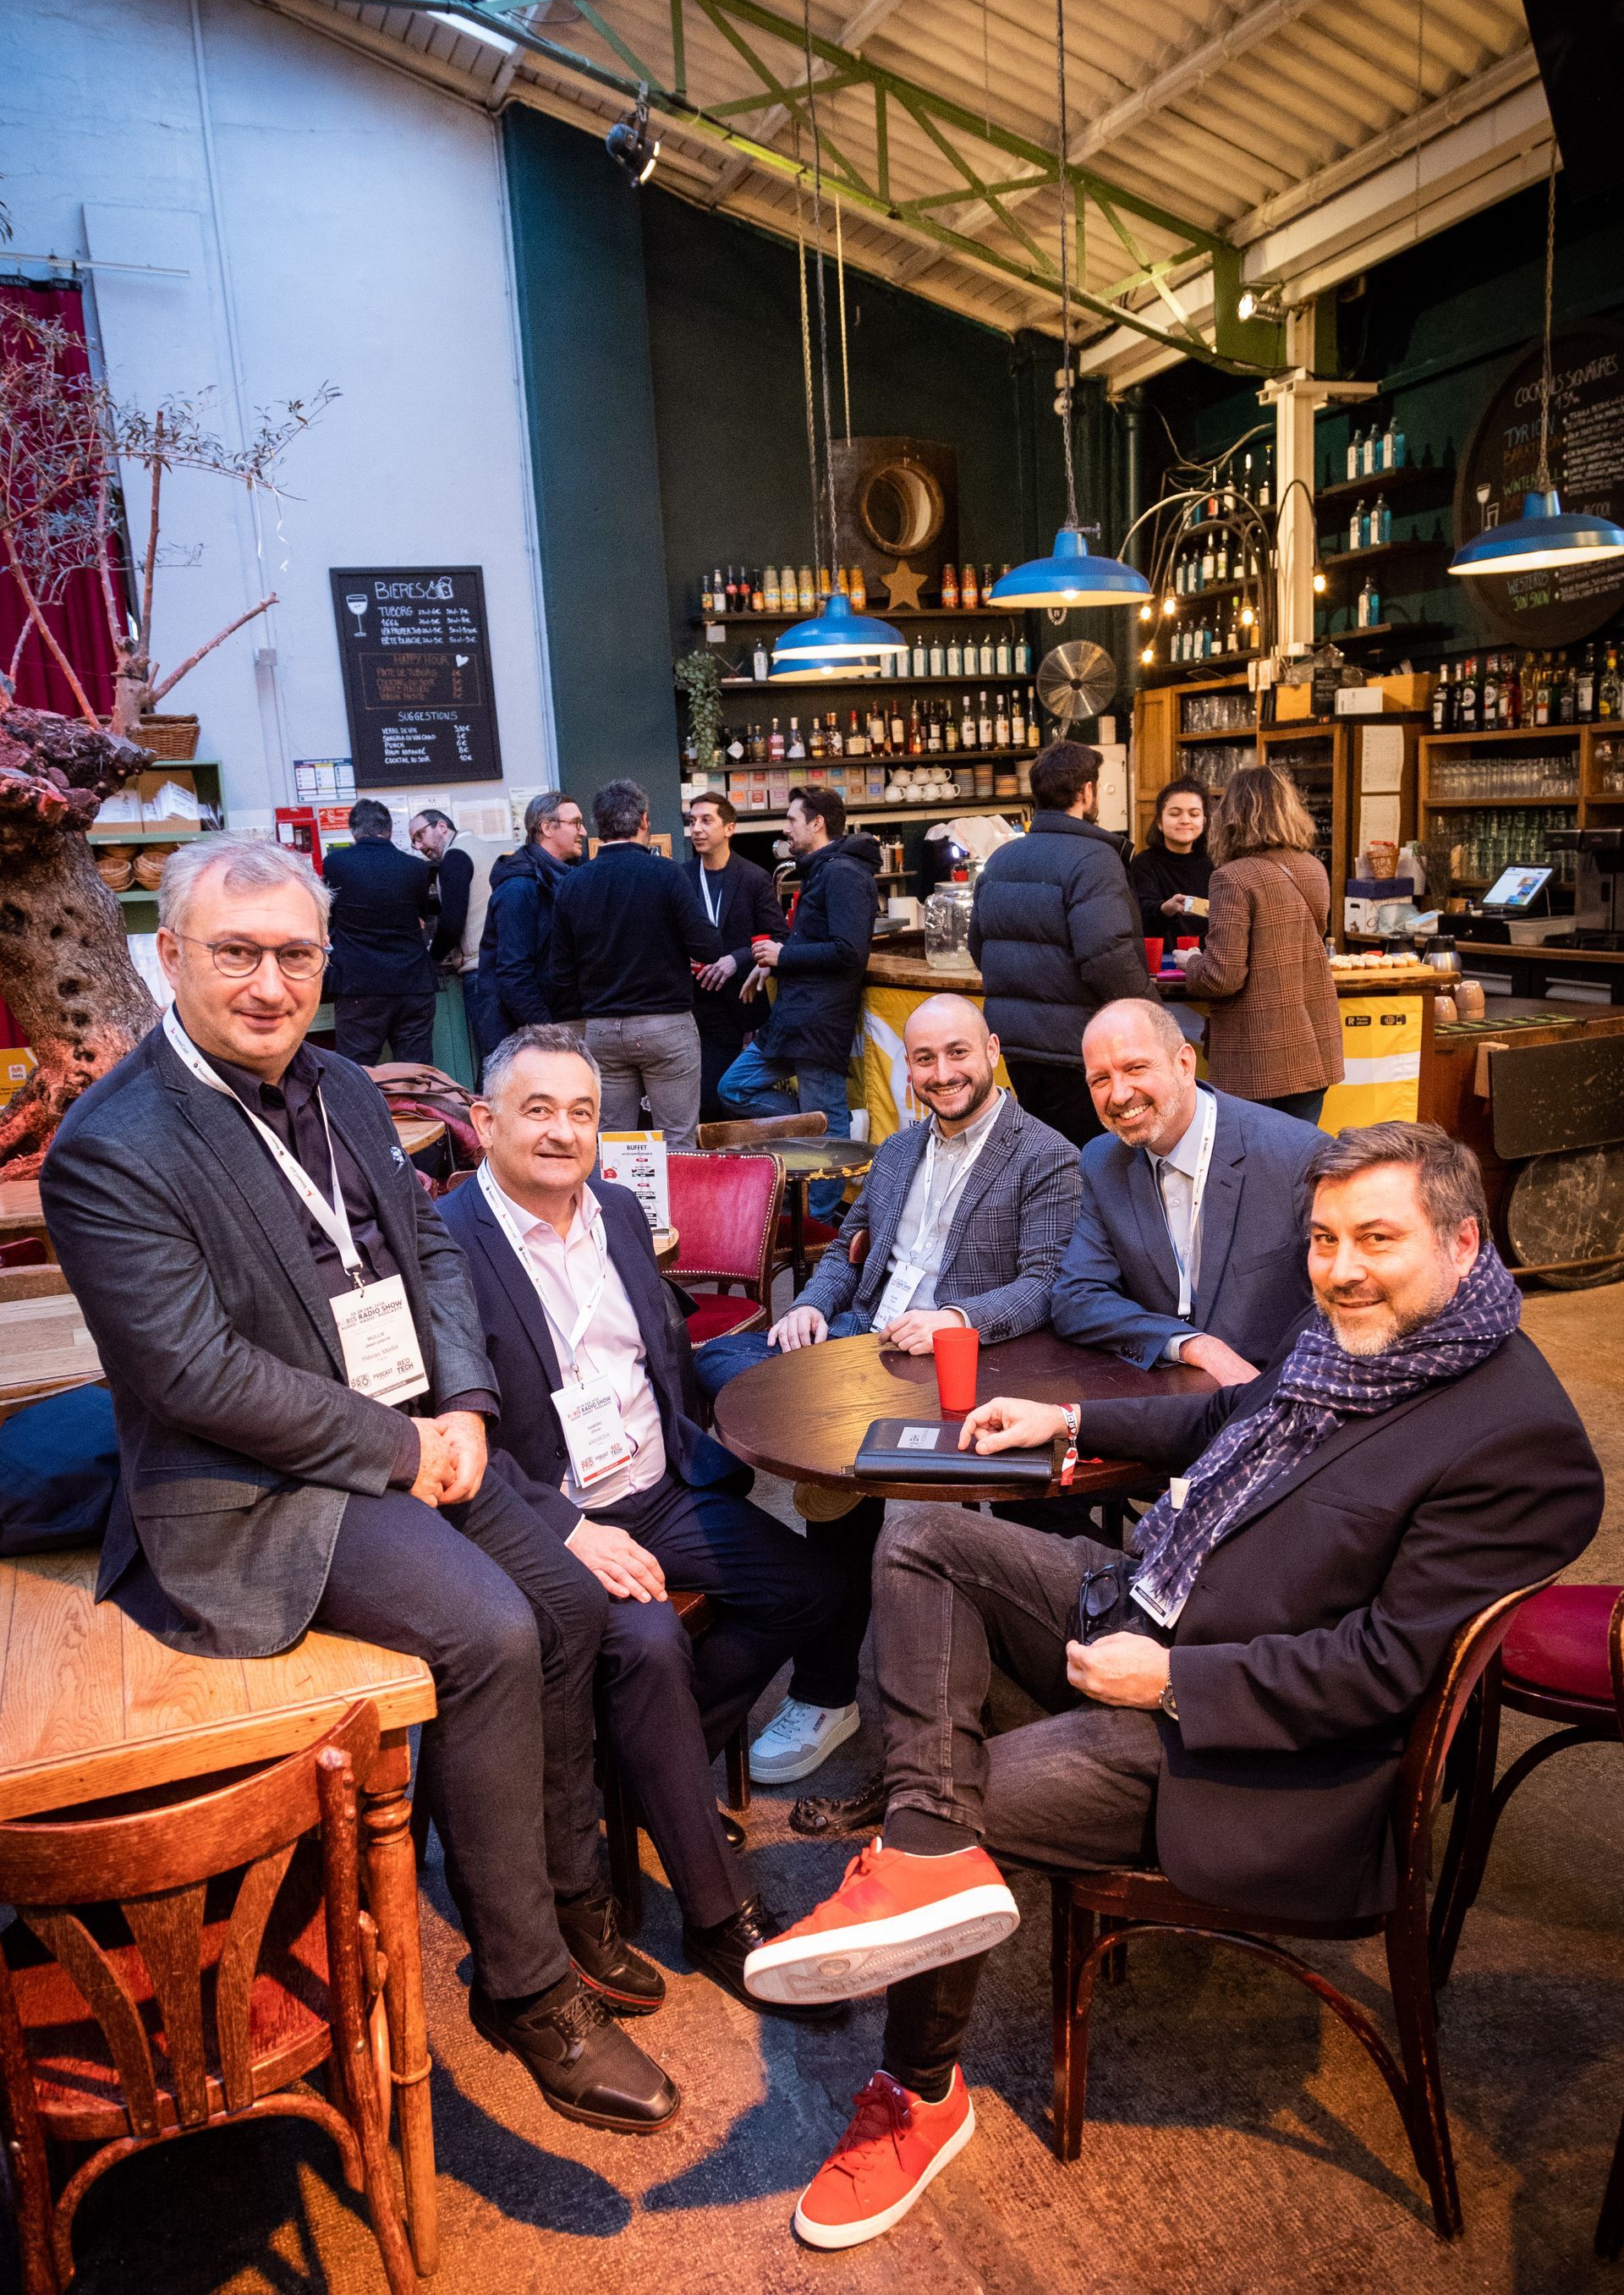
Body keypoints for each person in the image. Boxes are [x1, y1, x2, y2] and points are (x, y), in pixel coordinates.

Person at [742, 1120, 1603, 2248]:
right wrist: (1072, 1417)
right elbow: (1224, 1415)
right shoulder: (1357, 1335)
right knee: (921, 1529)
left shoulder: (1516, 1439)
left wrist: (1173, 1681)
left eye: (1377, 1238)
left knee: (958, 1796)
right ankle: (924, 1858)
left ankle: (917, 2086)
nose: (1341, 1268)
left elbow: (1385, 1671)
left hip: (1249, 1748)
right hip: (1154, 1600)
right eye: (1325, 1238)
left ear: (1462, 1242)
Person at [40, 836, 679, 2135]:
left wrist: (467, 1406)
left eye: (295, 954)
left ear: (328, 961)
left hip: (409, 1433)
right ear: (170, 956)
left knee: (568, 1602)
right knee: (492, 1631)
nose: (270, 984)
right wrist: (404, 1450)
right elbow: (195, 1376)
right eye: (237, 953)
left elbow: (430, 1254)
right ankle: (524, 1987)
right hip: (262, 1491)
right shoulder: (108, 1147)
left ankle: (564, 1894)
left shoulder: (338, 1083)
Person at [438, 1024, 848, 2012]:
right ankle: (718, 1914)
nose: (562, 1132)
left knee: (816, 1588)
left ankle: (648, 1772)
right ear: (484, 1122)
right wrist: (566, 1530)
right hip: (550, 1521)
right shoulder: (446, 1242)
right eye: (538, 1110)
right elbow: (449, 1430)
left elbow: (662, 1353)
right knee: (653, 1644)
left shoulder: (620, 1211)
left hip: (658, 1490)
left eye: (581, 1112)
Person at [700, 995, 1081, 1793]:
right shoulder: (900, 1149)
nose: (942, 1073)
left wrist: (955, 1320)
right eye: (924, 1058)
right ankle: (786, 1513)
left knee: (838, 1470)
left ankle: (824, 1692)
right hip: (859, 1342)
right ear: (908, 1068)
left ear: (992, 1050)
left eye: (957, 1053)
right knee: (705, 1362)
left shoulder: (1046, 1155)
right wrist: (808, 1304)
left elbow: (1046, 1284)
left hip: (957, 1368)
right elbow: (848, 1245)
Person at [1052, 997, 1321, 1381]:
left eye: (1135, 1068)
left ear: (1184, 1063)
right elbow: (1077, 1298)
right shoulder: (1102, 1160)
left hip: (1276, 1391)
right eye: (1100, 1080)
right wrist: (1191, 1345)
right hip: (1165, 1390)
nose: (1120, 1094)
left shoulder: (1294, 1154)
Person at [968, 740, 1156, 1150]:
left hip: (1016, 1046)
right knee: (1094, 1160)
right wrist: (1152, 1014)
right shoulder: (1095, 859)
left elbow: (978, 948)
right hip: (1080, 1047)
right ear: (1087, 791)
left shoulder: (1000, 859)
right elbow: (1107, 959)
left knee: (1044, 1157)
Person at [716, 787, 881, 1222]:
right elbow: (817, 941)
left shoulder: (843, 872)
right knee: (733, 1088)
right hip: (796, 1017)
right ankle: (828, 1125)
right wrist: (772, 965)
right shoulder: (824, 869)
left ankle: (818, 1223)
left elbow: (850, 951)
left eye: (792, 819)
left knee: (824, 1123)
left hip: (819, 1018)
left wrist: (783, 956)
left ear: (817, 823)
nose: (785, 828)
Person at [548, 779, 723, 1155]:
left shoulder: (573, 884)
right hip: (666, 1025)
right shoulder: (667, 874)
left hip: (602, 1029)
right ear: (644, 820)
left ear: (598, 826)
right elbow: (709, 947)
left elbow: (559, 974)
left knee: (614, 1147)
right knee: (678, 1141)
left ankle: (619, 1198)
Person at [1179, 763, 1343, 1123]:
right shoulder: (1314, 868)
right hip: (1314, 1047)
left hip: (1257, 1056)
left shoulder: (1232, 878)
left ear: (1232, 816)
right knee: (1301, 1151)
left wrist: (1190, 961)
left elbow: (1221, 977)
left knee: (1252, 1154)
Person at [681, 793, 788, 1122]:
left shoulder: (753, 877)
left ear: (729, 828)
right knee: (700, 1101)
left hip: (740, 1005)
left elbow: (778, 936)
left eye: (706, 821)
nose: (696, 829)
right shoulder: (681, 876)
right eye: (692, 822)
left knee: (724, 1099)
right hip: (693, 1004)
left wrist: (736, 959)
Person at [323, 799, 437, 1066]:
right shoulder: (416, 868)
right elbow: (422, 915)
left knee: (357, 1071)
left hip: (358, 984)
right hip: (413, 981)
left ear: (354, 831)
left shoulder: (335, 864)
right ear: (389, 829)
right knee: (415, 1070)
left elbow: (328, 915)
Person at [476, 791, 586, 1053]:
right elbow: (514, 973)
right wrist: (549, 1033)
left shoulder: (563, 877)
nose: (583, 831)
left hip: (549, 1023)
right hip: (521, 1035)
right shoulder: (519, 887)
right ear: (547, 828)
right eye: (575, 823)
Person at [409, 806, 508, 1061]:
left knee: (494, 1058)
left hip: (481, 970)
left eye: (420, 835)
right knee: (507, 1056)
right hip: (504, 963)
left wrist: (432, 958)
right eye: (414, 841)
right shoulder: (482, 848)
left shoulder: (455, 857)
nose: (419, 846)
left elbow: (452, 923)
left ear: (441, 826)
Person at [1128, 779, 1213, 951]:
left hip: (1208, 959)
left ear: (1204, 822)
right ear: (1159, 822)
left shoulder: (1215, 863)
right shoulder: (1143, 864)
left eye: (1194, 814)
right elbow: (1138, 918)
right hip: (1161, 960)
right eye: (1175, 814)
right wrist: (1165, 909)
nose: (1185, 820)